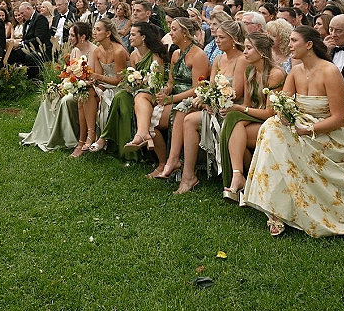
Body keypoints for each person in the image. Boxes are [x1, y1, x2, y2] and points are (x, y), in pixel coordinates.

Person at [242, 26, 344, 237]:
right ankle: (276, 209)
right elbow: (282, 104)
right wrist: (285, 115)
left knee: (277, 137)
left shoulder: (330, 71)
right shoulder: (295, 71)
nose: (289, 45)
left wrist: (308, 129)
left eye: (294, 41)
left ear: (309, 45)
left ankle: (285, 208)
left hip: (332, 134)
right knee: (271, 128)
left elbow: (339, 119)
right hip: (301, 126)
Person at [172, 17, 247, 194]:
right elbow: (210, 86)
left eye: (222, 38)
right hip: (215, 106)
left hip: (232, 109)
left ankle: (187, 173)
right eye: (217, 37)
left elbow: (236, 92)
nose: (217, 41)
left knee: (190, 120)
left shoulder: (241, 60)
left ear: (234, 39)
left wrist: (210, 101)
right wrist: (204, 99)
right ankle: (187, 173)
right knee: (187, 112)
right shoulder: (219, 59)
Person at [218, 32, 285, 200]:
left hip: (273, 122)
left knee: (234, 130)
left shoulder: (275, 74)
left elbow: (270, 112)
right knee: (235, 125)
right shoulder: (250, 70)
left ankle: (241, 177)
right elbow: (247, 104)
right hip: (255, 118)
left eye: (249, 48)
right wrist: (236, 109)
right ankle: (241, 176)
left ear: (262, 52)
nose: (245, 52)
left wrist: (240, 110)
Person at [93, 22, 167, 161]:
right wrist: (132, 84)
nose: (130, 37)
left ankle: (105, 138)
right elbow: (129, 79)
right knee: (121, 96)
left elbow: (158, 82)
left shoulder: (155, 56)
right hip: (137, 92)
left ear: (143, 37)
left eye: (133, 34)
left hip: (152, 94)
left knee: (123, 97)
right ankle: (117, 145)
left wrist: (141, 84)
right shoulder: (133, 55)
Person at [146, 17, 210, 179]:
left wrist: (171, 99)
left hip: (190, 100)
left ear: (185, 33)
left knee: (155, 120)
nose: (170, 33)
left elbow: (197, 89)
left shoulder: (198, 55)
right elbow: (171, 81)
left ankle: (173, 162)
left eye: (174, 29)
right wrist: (166, 90)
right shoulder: (175, 54)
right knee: (148, 118)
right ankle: (163, 162)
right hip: (174, 96)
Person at [20, 22, 96, 152]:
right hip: (73, 85)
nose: (69, 38)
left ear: (82, 37)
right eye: (70, 35)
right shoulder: (75, 51)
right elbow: (70, 73)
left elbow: (92, 77)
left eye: (73, 35)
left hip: (86, 89)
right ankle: (46, 133)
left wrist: (74, 85)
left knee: (66, 101)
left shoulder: (94, 51)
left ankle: (66, 138)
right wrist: (63, 85)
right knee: (49, 96)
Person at [75, 19, 129, 156]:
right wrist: (94, 84)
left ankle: (97, 137)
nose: (94, 32)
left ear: (108, 33)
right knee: (86, 93)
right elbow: (98, 75)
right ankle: (89, 134)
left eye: (98, 29)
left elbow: (119, 80)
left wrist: (99, 79)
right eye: (94, 29)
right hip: (106, 85)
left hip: (121, 88)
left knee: (92, 94)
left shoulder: (119, 51)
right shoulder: (98, 51)